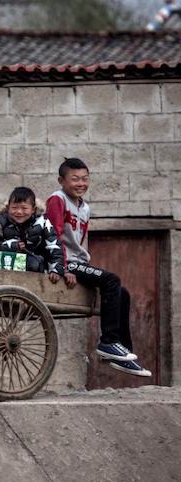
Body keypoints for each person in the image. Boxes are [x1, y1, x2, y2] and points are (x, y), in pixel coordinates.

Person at [45, 158, 151, 377]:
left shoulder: (85, 208)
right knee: (112, 280)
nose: (80, 183)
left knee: (122, 293)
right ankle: (108, 342)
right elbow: (54, 234)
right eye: (75, 179)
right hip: (65, 262)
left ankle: (124, 353)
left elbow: (80, 241)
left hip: (79, 262)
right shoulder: (57, 199)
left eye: (85, 179)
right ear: (61, 181)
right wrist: (62, 267)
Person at [0, 186, 64, 279]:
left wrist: (55, 269)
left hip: (36, 267)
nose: (19, 212)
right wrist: (11, 245)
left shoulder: (42, 222)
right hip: (5, 265)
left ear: (33, 209)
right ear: (8, 208)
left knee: (34, 263)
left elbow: (54, 246)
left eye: (24, 208)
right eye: (14, 208)